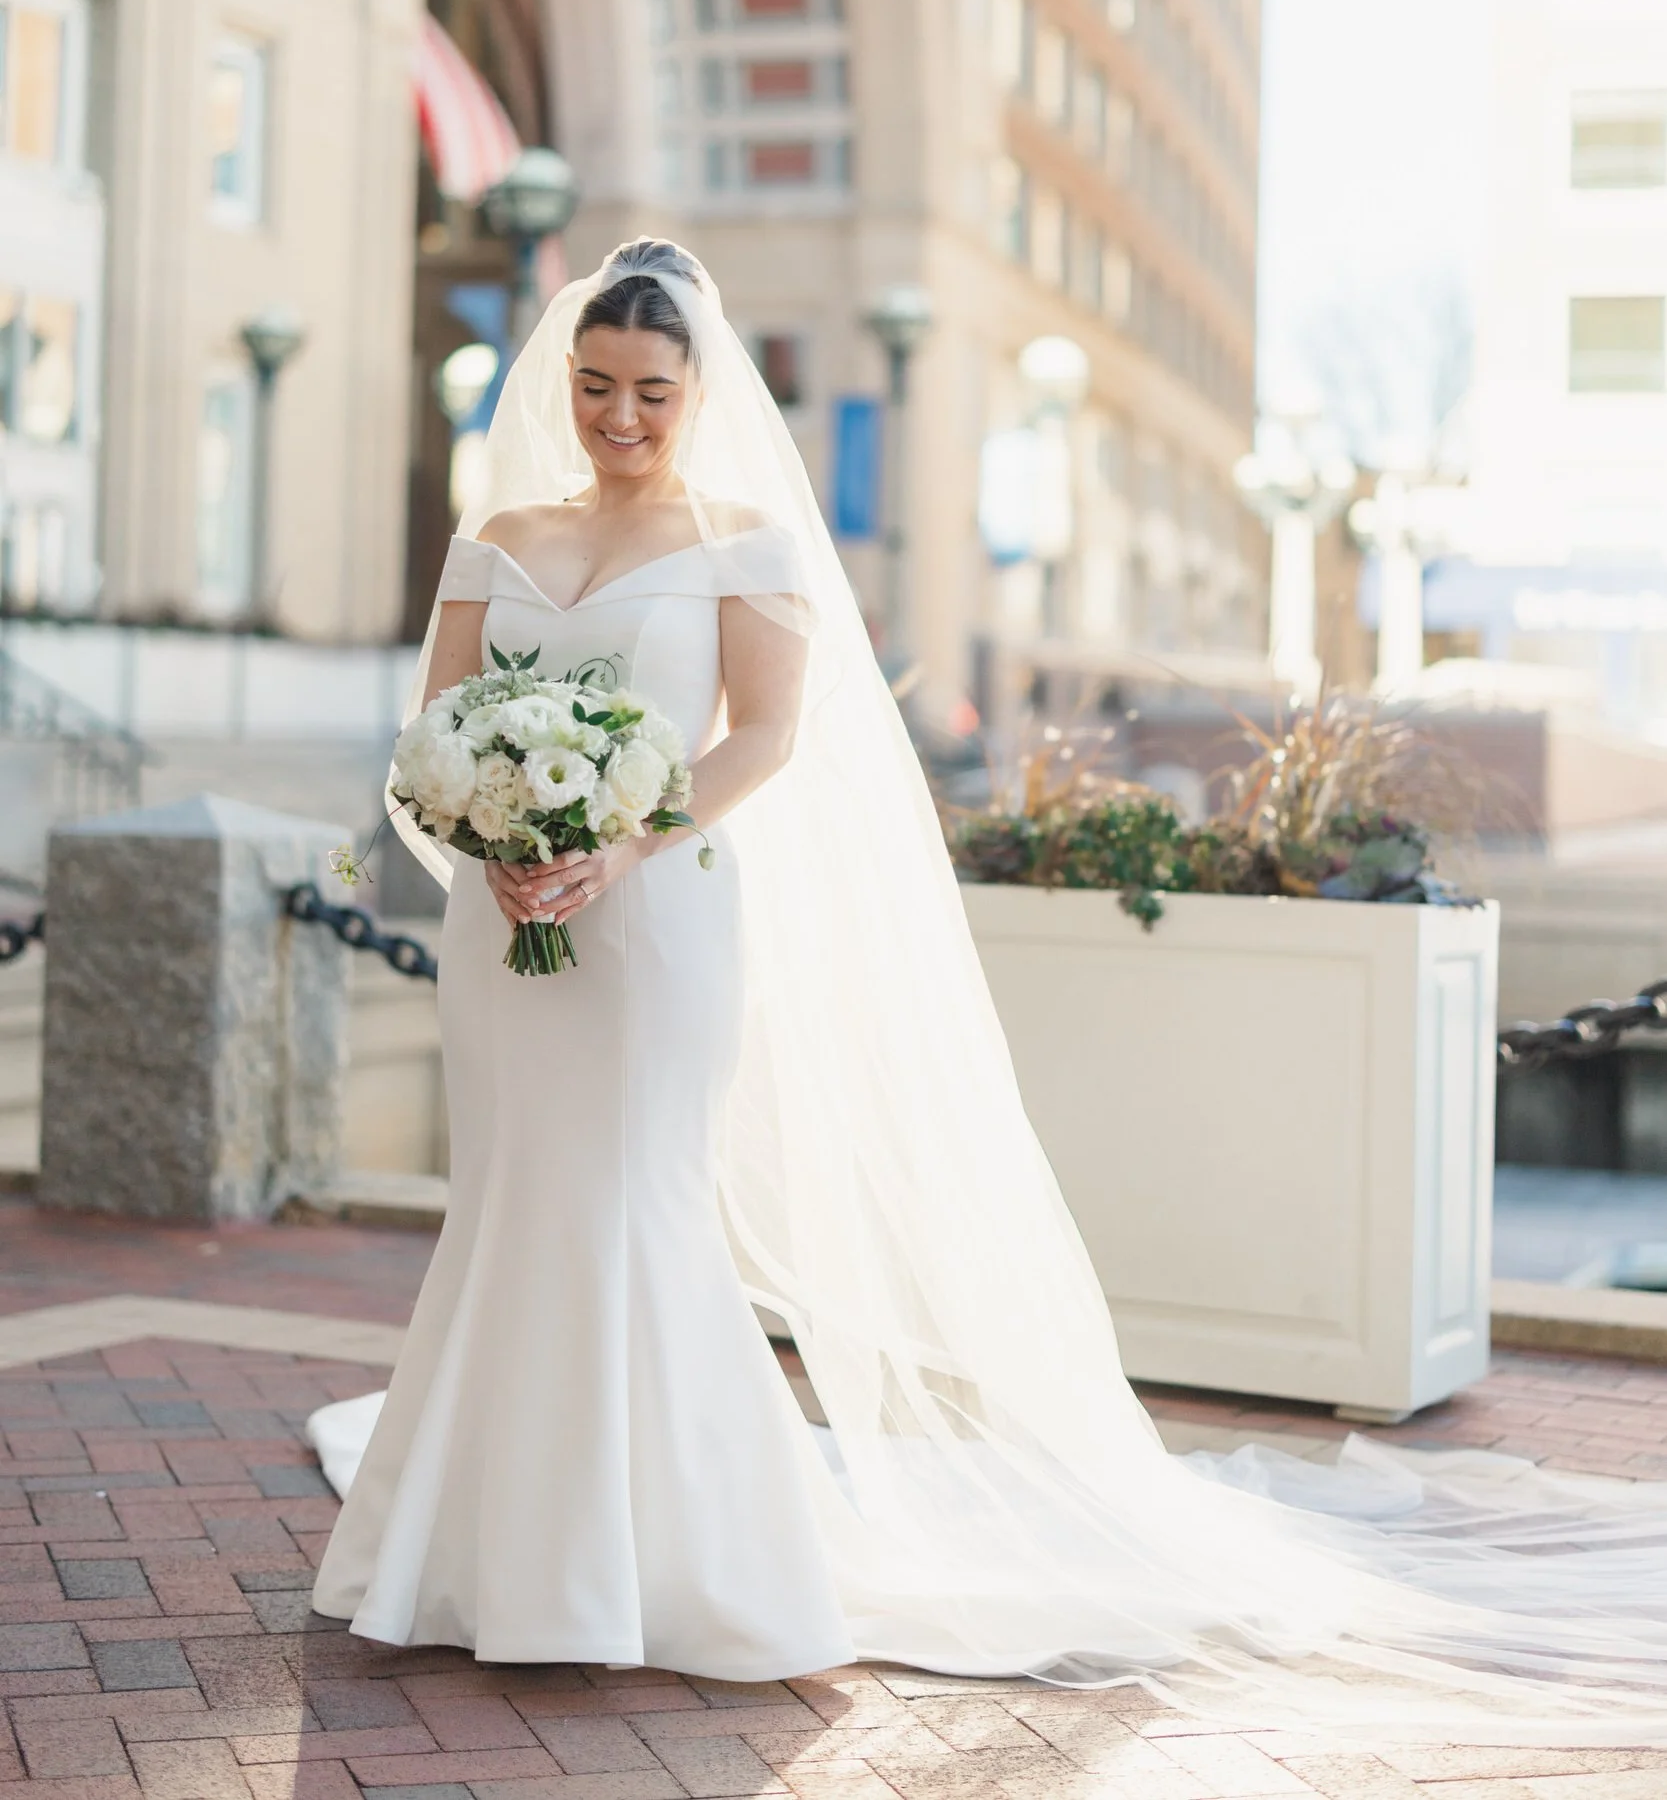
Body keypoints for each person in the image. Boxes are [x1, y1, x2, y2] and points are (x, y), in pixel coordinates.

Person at [310, 240, 1667, 1737]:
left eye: (647, 390)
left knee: (632, 1203)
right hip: (507, 937)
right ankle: (476, 1551)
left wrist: (620, 843)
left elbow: (758, 738)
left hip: (654, 923)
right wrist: (487, 831)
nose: (616, 415)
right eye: (591, 387)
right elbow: (435, 727)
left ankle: (672, 1558)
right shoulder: (499, 530)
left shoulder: (744, 540)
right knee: (511, 1200)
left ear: (697, 393)